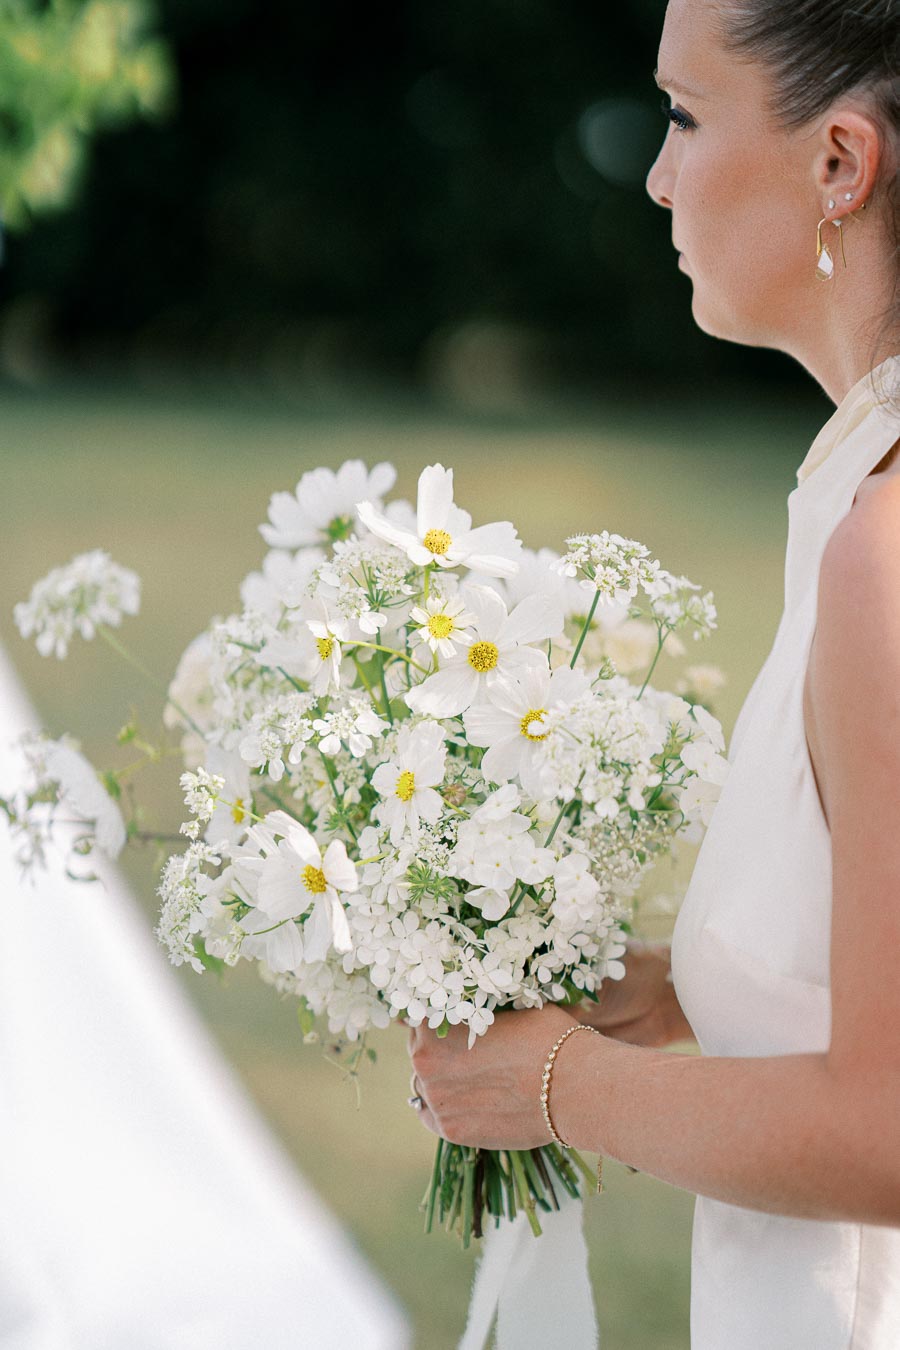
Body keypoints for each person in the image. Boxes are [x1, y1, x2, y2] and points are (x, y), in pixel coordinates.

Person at [408, 0, 900, 1345]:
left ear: (840, 166)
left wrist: (557, 1083)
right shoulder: (855, 492)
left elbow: (889, 1127)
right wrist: (676, 982)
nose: (656, 171)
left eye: (685, 114)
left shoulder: (883, 554)